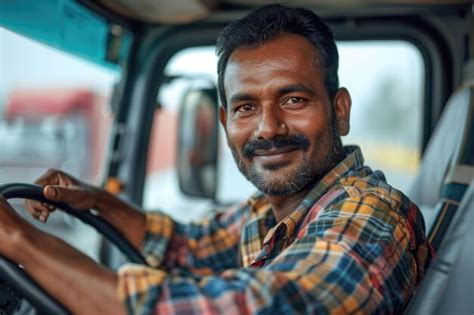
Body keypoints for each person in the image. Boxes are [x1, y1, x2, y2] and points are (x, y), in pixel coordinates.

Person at [0, 4, 433, 315]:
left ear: (339, 110)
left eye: (294, 99)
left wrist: (22, 242)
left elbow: (267, 307)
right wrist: (94, 200)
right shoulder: (274, 211)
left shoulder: (370, 212)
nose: (267, 128)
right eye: (246, 108)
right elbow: (183, 247)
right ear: (225, 121)